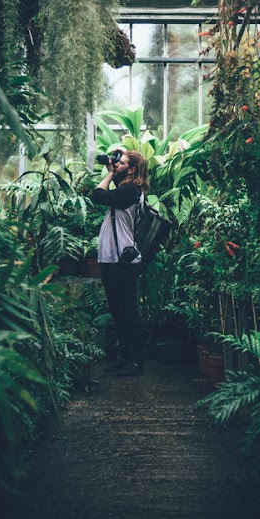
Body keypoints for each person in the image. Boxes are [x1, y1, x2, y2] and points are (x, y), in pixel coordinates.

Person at [91, 149, 148, 377]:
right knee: (118, 311)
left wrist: (109, 174)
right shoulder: (126, 190)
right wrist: (113, 171)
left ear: (132, 170)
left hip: (122, 262)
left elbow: (98, 196)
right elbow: (111, 193)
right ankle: (124, 357)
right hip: (112, 259)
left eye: (121, 163)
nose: (117, 164)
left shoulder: (130, 191)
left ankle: (136, 361)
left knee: (129, 312)